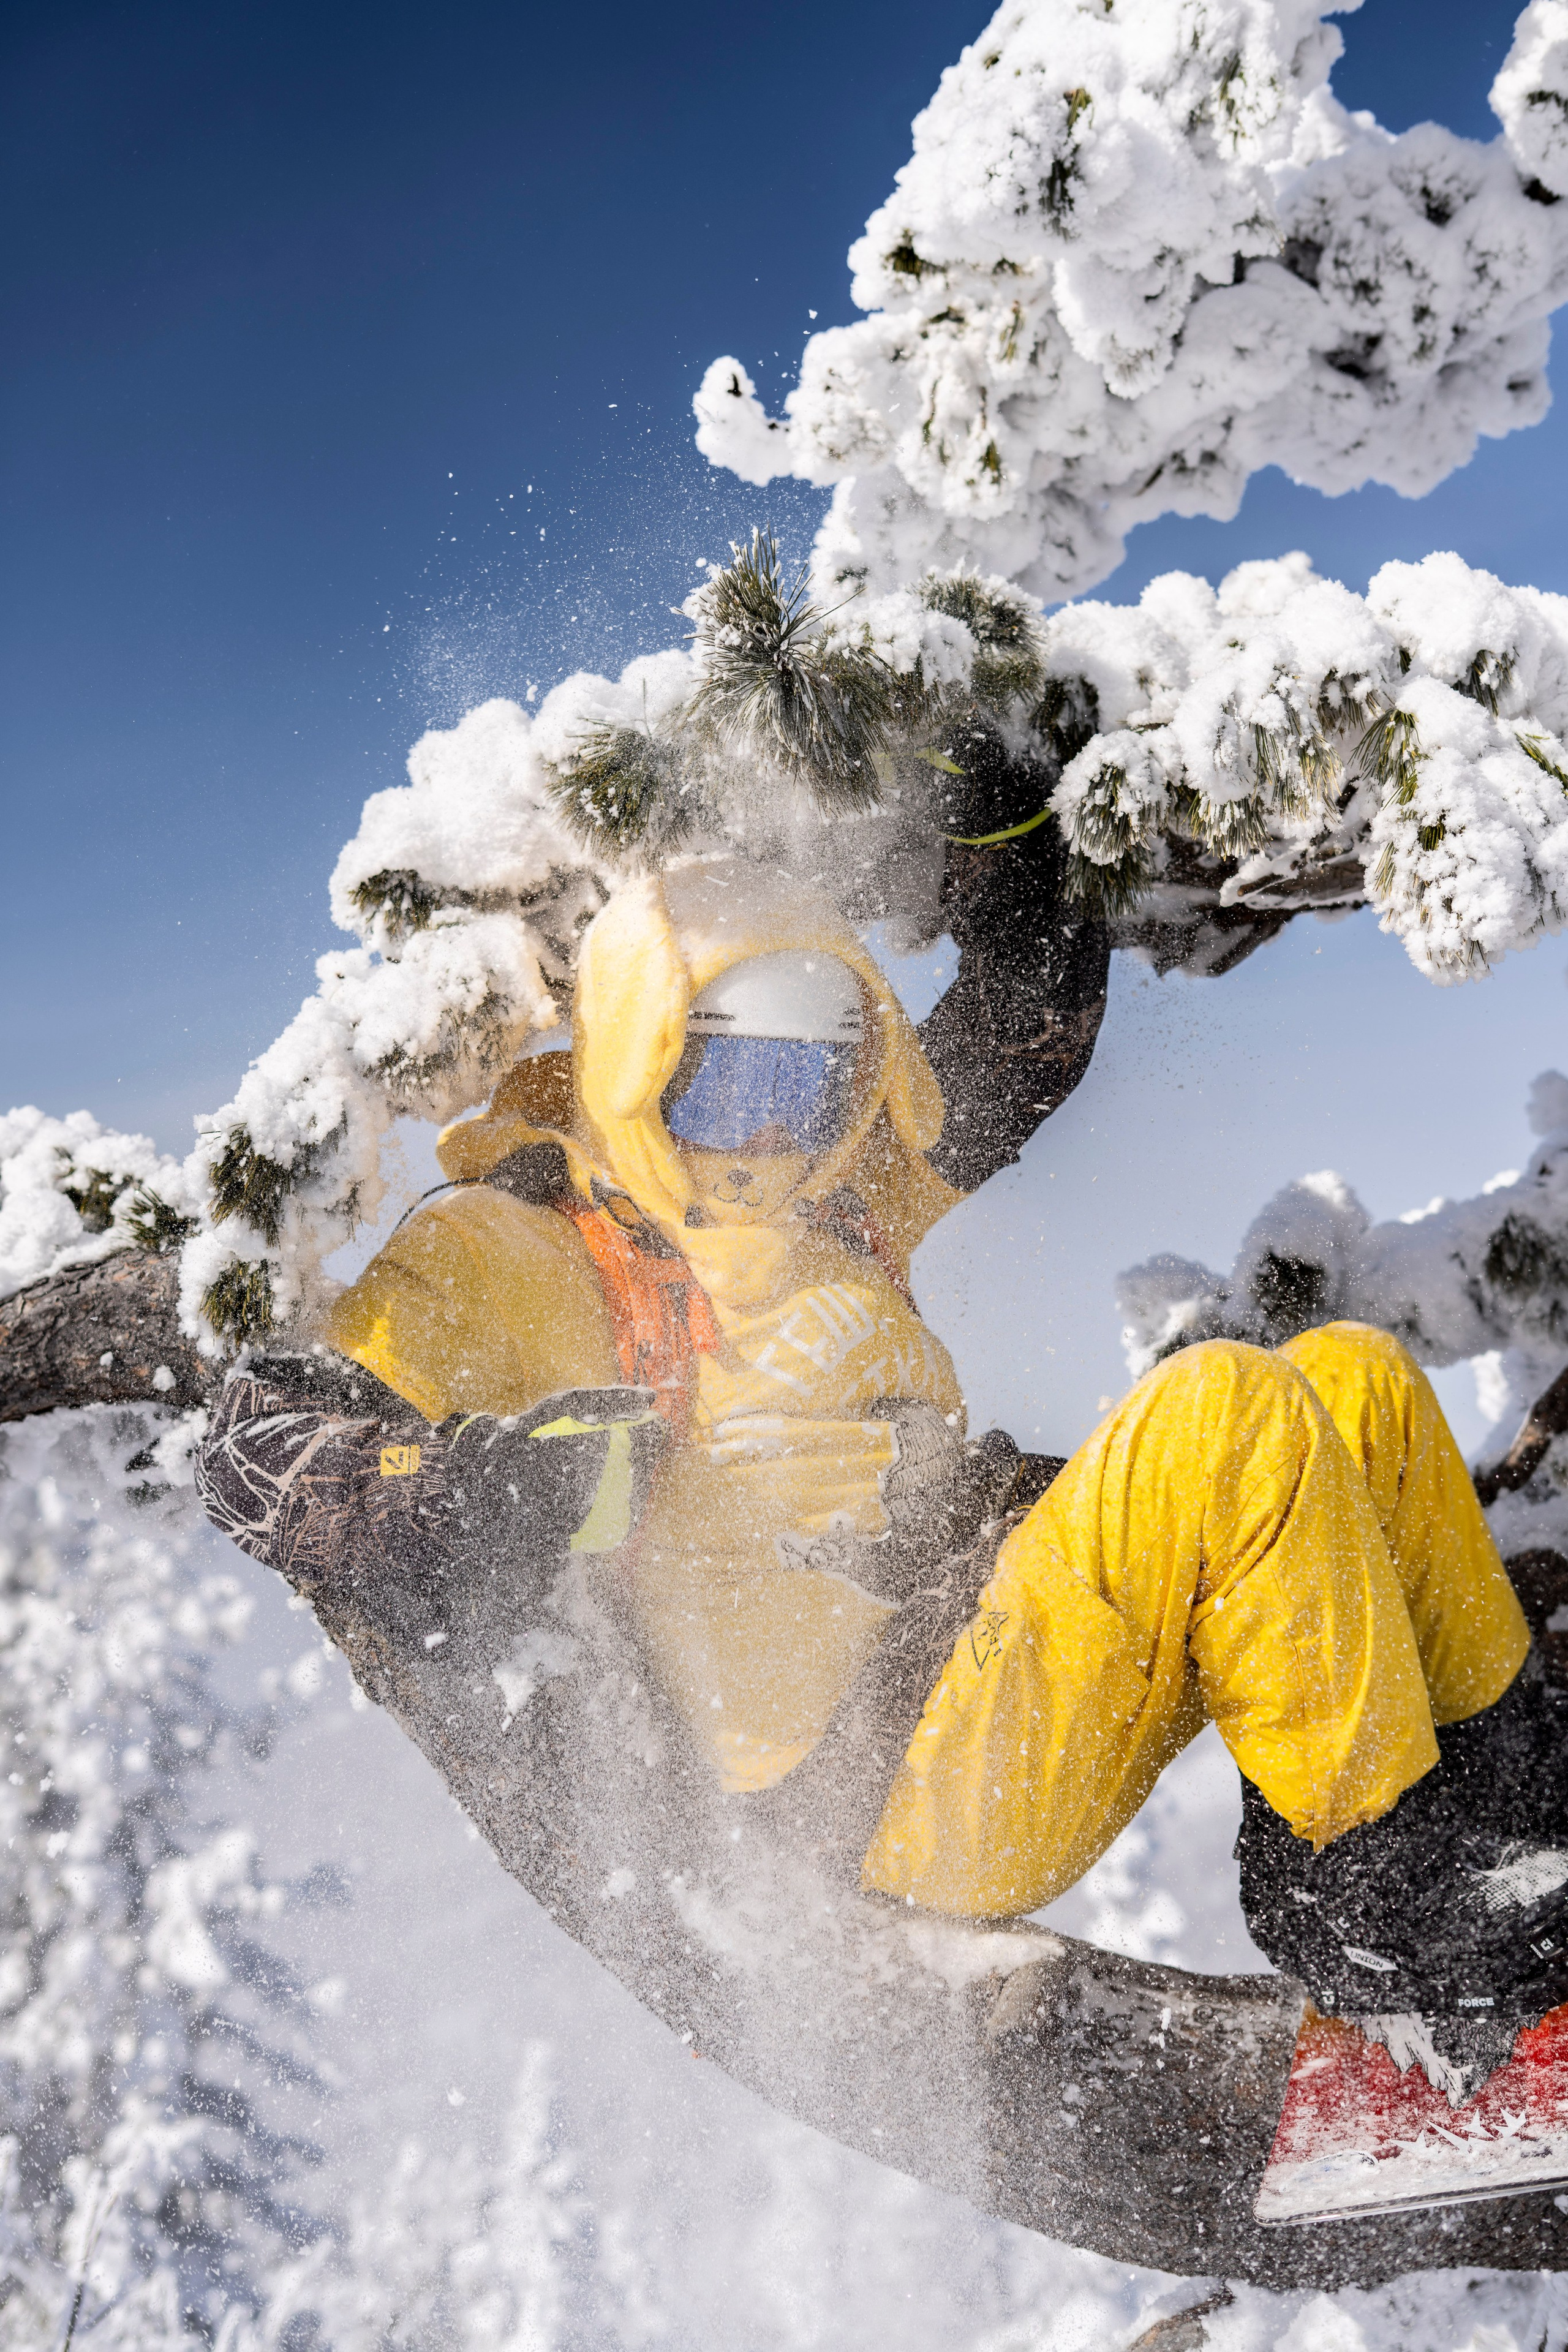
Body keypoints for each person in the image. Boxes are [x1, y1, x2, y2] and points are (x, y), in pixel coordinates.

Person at [195, 846, 1568, 2046]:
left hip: (979, 1666)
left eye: (817, 1084)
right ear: (638, 1060)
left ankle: (1500, 1825)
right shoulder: (516, 1246)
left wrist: (991, 808)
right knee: (1224, 1409)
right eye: (730, 1088)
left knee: (1352, 1382)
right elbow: (257, 1444)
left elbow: (1028, 1022)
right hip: (860, 1800)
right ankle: (1383, 1911)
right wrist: (481, 1498)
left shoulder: (846, 1208)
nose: (776, 1137)